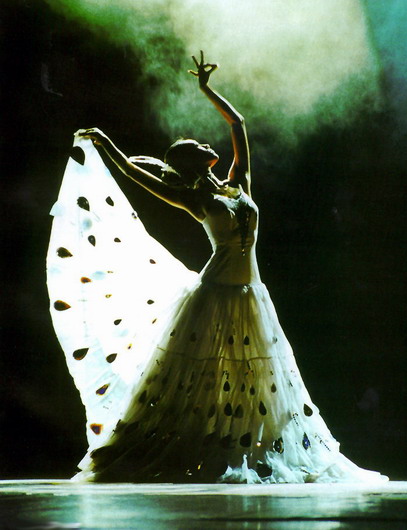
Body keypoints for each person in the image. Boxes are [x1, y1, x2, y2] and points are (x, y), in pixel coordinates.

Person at [47, 52, 387, 483]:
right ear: (191, 162)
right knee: (200, 376)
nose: (207, 146)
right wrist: (104, 143)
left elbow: (238, 124)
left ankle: (245, 449)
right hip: (215, 293)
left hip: (251, 293)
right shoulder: (196, 199)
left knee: (254, 376)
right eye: (196, 147)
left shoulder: (237, 183)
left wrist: (207, 89)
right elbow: (133, 172)